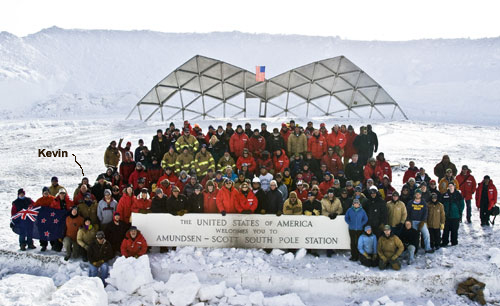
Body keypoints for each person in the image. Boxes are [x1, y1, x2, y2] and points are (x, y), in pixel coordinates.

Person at [406, 189, 433, 253]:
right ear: (415, 194)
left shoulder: (423, 203)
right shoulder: (410, 202)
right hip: (413, 221)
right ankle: (414, 249)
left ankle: (427, 248)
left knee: (426, 234)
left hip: (421, 221)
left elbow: (425, 212)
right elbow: (407, 212)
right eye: (417, 193)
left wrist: (423, 221)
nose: (418, 195)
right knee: (414, 236)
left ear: (421, 195)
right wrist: (409, 221)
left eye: (419, 194)